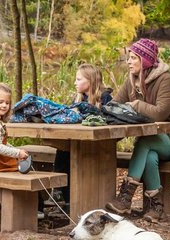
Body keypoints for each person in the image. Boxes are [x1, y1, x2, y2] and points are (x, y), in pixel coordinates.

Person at [105, 38, 170, 222]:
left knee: (145, 141)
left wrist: (135, 105)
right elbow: (114, 106)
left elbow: (159, 114)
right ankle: (156, 208)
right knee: (149, 155)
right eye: (128, 58)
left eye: (133, 58)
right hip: (151, 144)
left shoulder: (166, 80)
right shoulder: (131, 81)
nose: (128, 62)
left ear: (145, 60)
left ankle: (125, 198)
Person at [49, 63, 113, 216]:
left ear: (90, 81)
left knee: (68, 154)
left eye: (78, 79)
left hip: (100, 145)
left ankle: (70, 199)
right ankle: (63, 197)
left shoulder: (105, 98)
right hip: (77, 143)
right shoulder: (78, 98)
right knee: (64, 151)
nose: (75, 82)